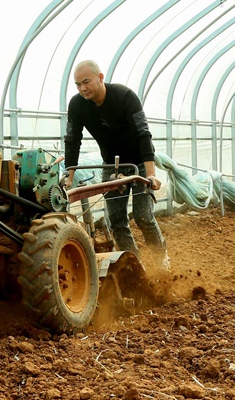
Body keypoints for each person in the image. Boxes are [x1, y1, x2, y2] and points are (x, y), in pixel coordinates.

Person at [63, 60, 169, 269]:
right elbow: (72, 138)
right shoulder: (77, 105)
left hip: (138, 162)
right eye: (77, 84)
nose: (82, 88)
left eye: (86, 82)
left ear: (100, 78)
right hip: (111, 165)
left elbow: (143, 133)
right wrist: (70, 175)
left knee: (143, 216)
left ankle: (160, 259)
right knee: (117, 219)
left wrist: (150, 173)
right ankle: (135, 266)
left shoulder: (125, 96)